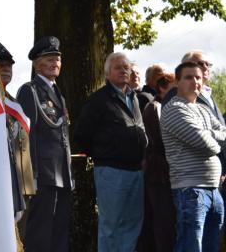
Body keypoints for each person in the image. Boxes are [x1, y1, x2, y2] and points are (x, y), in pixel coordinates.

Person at [74, 52, 147, 252]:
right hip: (112, 172)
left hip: (136, 170)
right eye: (118, 68)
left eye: (126, 67)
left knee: (133, 224)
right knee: (111, 226)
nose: (124, 71)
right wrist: (103, 153)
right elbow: (81, 135)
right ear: (107, 74)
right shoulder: (99, 100)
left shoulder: (135, 98)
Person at [16, 36, 73, 252]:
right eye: (48, 58)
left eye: (57, 58)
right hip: (43, 176)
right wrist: (32, 176)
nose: (54, 63)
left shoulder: (57, 92)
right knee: (40, 237)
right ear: (35, 63)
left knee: (59, 236)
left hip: (61, 175)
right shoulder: (29, 91)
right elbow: (27, 137)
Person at [161, 61, 226, 252]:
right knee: (191, 246)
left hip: (214, 190)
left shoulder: (204, 109)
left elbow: (223, 133)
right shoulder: (174, 109)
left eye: (198, 77)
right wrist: (212, 138)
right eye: (189, 77)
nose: (195, 81)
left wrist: (208, 134)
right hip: (190, 190)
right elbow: (206, 144)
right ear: (177, 82)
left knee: (210, 247)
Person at [0, 42, 35, 243]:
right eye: (0, 64)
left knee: (20, 237)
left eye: (9, 65)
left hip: (19, 184)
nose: (6, 69)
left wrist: (28, 184)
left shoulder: (13, 103)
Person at [137, 73, 177, 252]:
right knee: (162, 221)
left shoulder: (169, 107)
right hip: (158, 173)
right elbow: (161, 141)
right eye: (173, 86)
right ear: (162, 88)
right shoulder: (155, 108)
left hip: (167, 173)